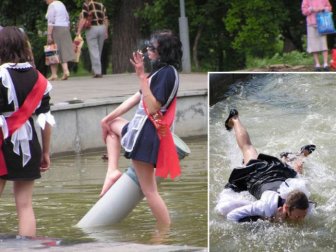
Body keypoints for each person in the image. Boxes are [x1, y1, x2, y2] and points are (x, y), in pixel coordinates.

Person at [100, 30, 182, 226]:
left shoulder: (167, 73)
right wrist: (106, 118)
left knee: (150, 191)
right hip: (142, 130)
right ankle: (112, 171)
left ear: (163, 52)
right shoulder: (160, 72)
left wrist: (141, 78)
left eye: (152, 48)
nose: (148, 51)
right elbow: (137, 98)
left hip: (146, 134)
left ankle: (164, 233)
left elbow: (154, 106)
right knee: (111, 125)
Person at [0, 26, 55, 237]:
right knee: (25, 205)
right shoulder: (39, 77)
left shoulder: (1, 74)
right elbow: (45, 119)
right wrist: (46, 152)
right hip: (29, 144)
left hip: (3, 143)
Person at [217, 109, 313, 223]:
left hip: (280, 174)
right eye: (298, 217)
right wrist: (268, 219)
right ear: (286, 208)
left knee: (297, 175)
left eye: (303, 216)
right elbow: (232, 216)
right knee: (247, 148)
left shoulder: (304, 201)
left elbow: (297, 180)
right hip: (259, 175)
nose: (301, 219)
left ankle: (297, 157)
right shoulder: (265, 206)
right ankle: (234, 119)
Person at [77, 0, 109, 78]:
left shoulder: (86, 5)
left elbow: (84, 19)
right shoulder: (101, 5)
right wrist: (106, 31)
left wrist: (79, 31)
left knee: (94, 50)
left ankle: (97, 72)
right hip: (102, 28)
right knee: (99, 50)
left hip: (92, 29)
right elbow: (105, 19)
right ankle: (95, 70)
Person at [45, 0, 75, 80]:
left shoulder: (52, 6)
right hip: (64, 28)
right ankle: (59, 72)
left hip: (56, 29)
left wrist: (49, 35)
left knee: (52, 50)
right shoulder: (61, 4)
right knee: (63, 49)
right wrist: (67, 28)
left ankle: (62, 72)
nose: (45, 1)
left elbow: (51, 21)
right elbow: (67, 18)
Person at [302, 0, 332, 71]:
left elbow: (329, 7)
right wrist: (311, 9)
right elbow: (304, 11)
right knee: (313, 44)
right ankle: (317, 64)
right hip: (311, 24)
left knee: (323, 44)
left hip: (322, 23)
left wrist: (323, 9)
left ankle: (325, 64)